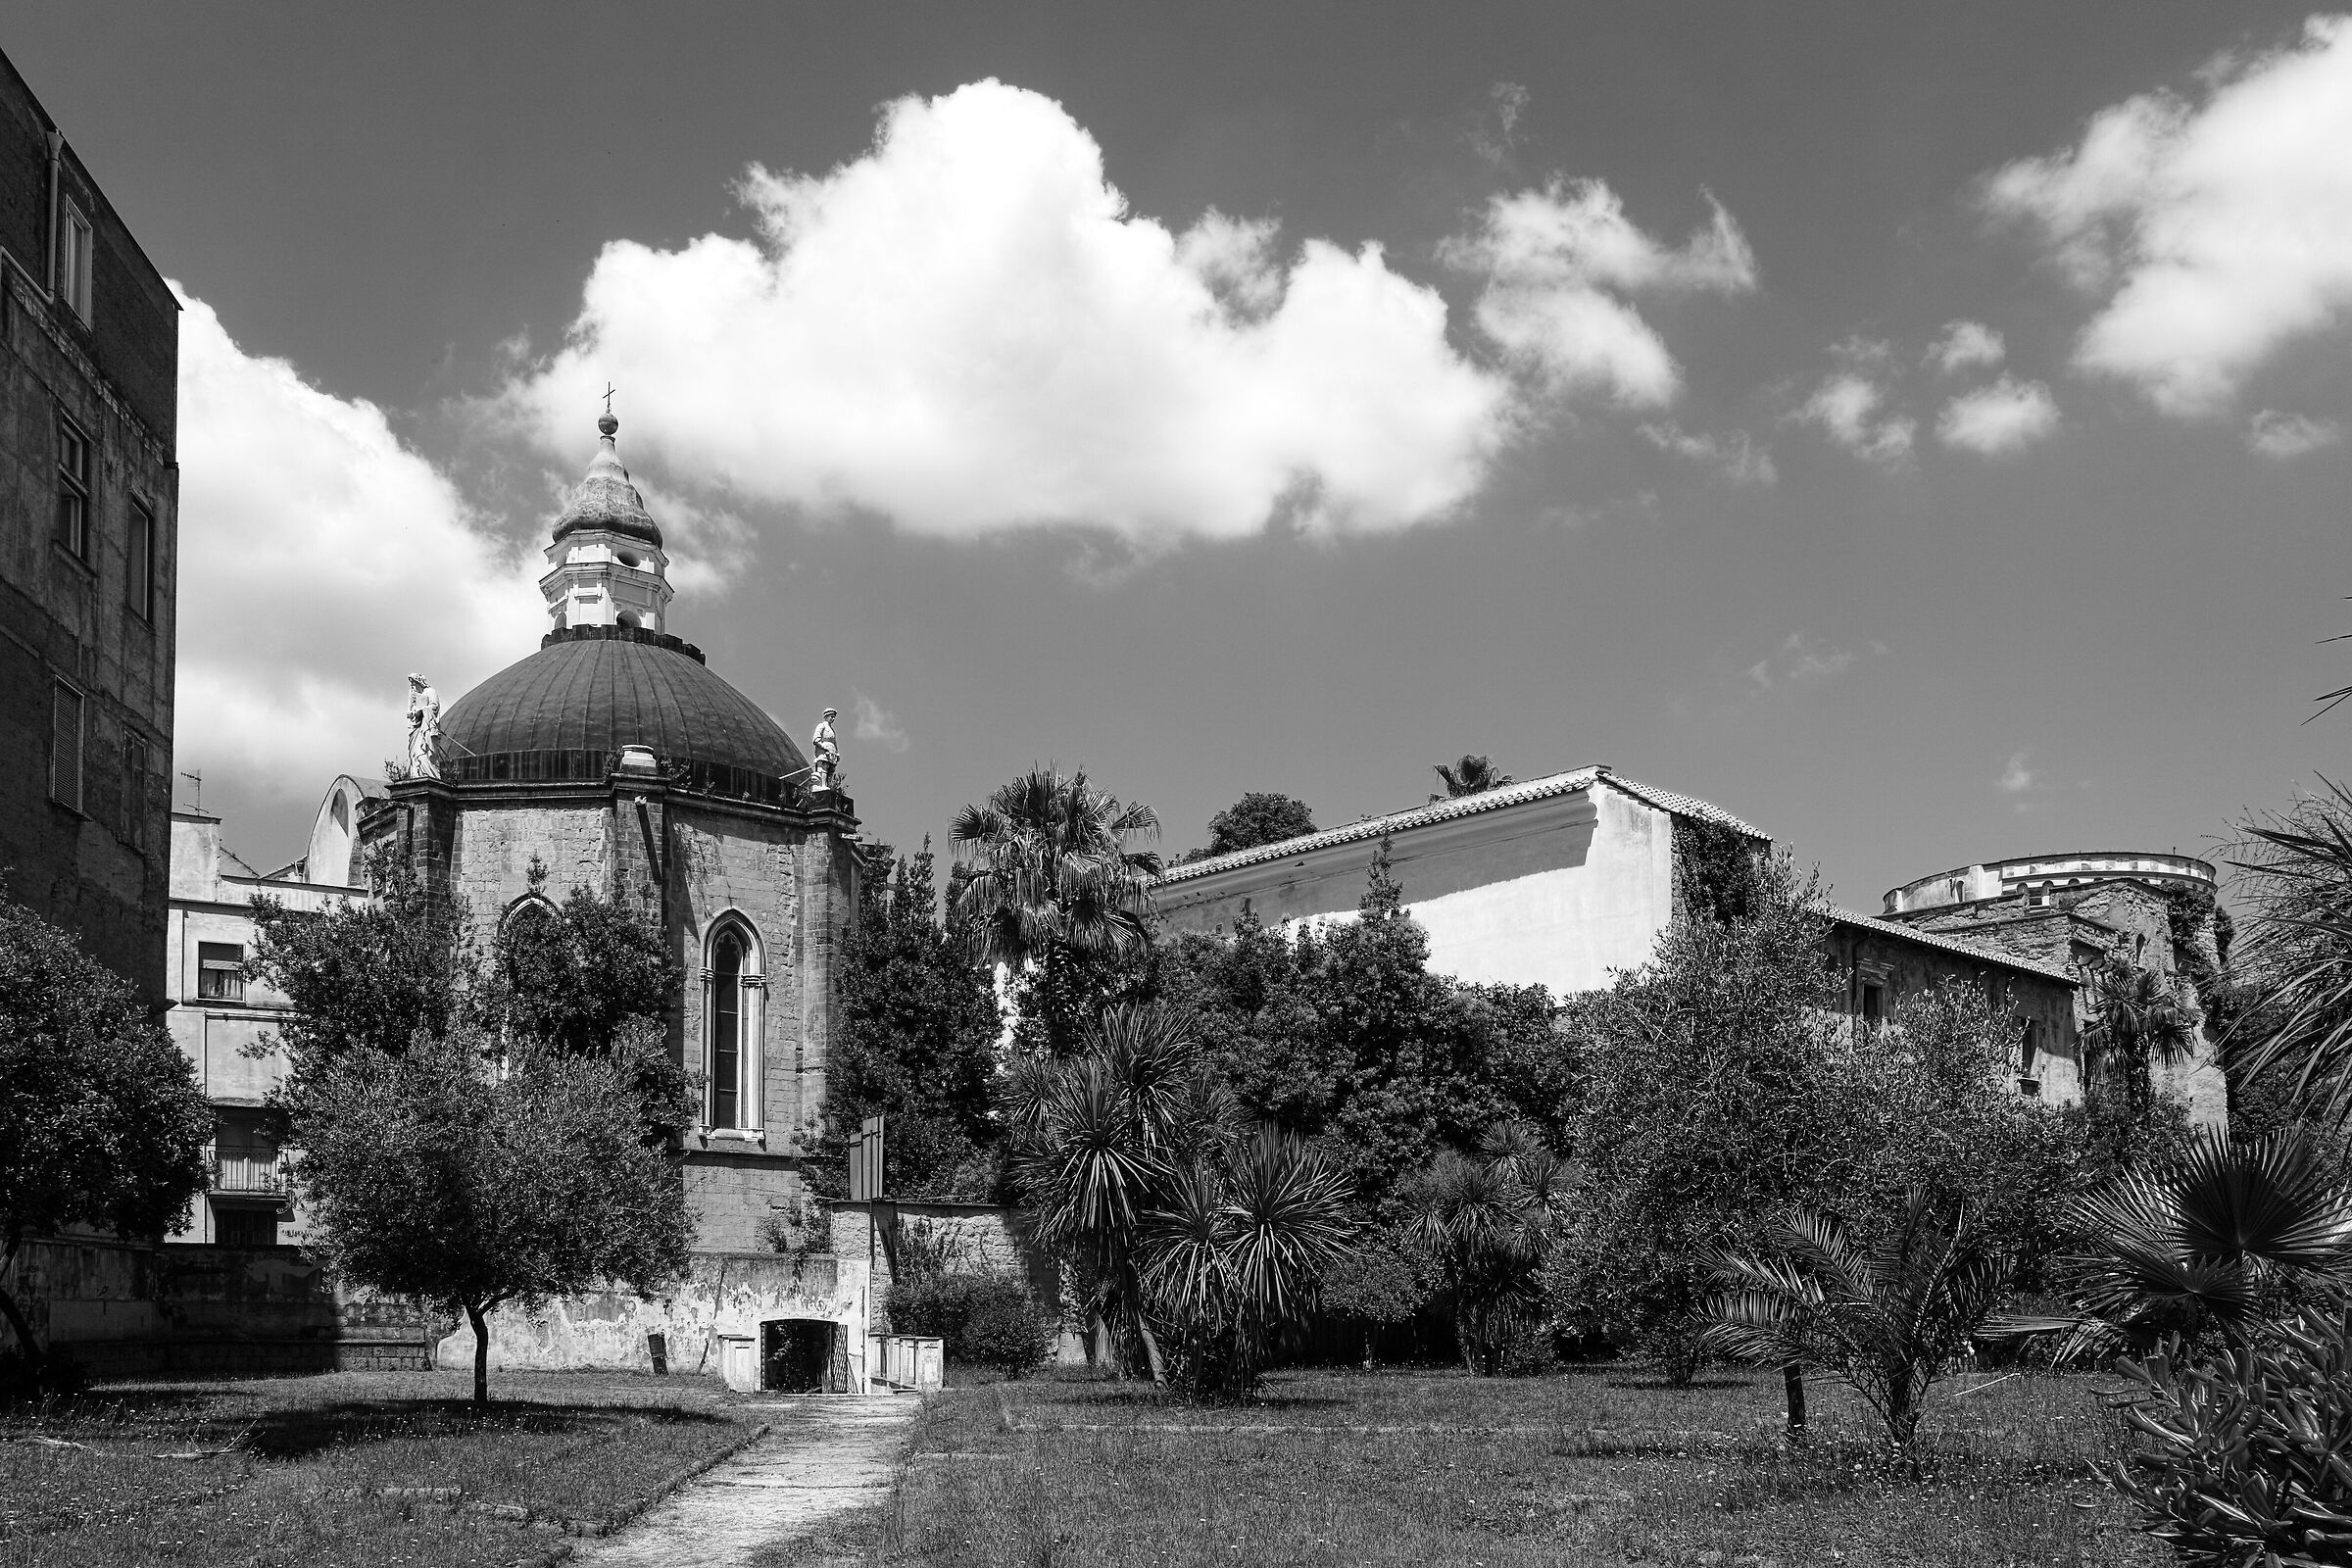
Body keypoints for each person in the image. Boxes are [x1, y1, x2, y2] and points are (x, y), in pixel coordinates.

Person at [406, 673, 442, 780]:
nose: (413, 687)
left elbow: (434, 706)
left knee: (425, 751)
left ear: (419, 682)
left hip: (427, 727)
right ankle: (417, 774)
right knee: (416, 752)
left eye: (414, 683)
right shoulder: (415, 696)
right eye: (411, 684)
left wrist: (421, 711)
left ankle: (429, 774)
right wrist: (412, 712)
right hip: (417, 728)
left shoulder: (430, 691)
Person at [810, 707, 841, 792]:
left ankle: (828, 785)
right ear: (826, 716)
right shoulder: (821, 726)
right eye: (831, 716)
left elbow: (835, 742)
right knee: (823, 767)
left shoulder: (832, 730)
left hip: (832, 751)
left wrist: (837, 753)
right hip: (823, 751)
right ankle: (822, 785)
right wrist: (823, 747)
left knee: (831, 769)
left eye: (834, 717)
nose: (833, 718)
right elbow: (815, 739)